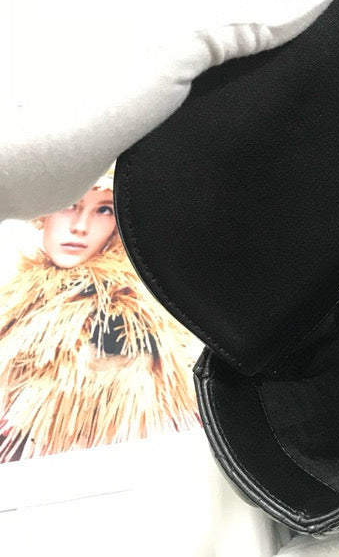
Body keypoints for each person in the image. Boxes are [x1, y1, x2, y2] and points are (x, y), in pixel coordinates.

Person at [0, 170, 201, 461]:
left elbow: (105, 436)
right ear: (43, 212)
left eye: (104, 210)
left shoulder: (119, 311)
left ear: (118, 224)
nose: (80, 227)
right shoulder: (24, 296)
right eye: (68, 204)